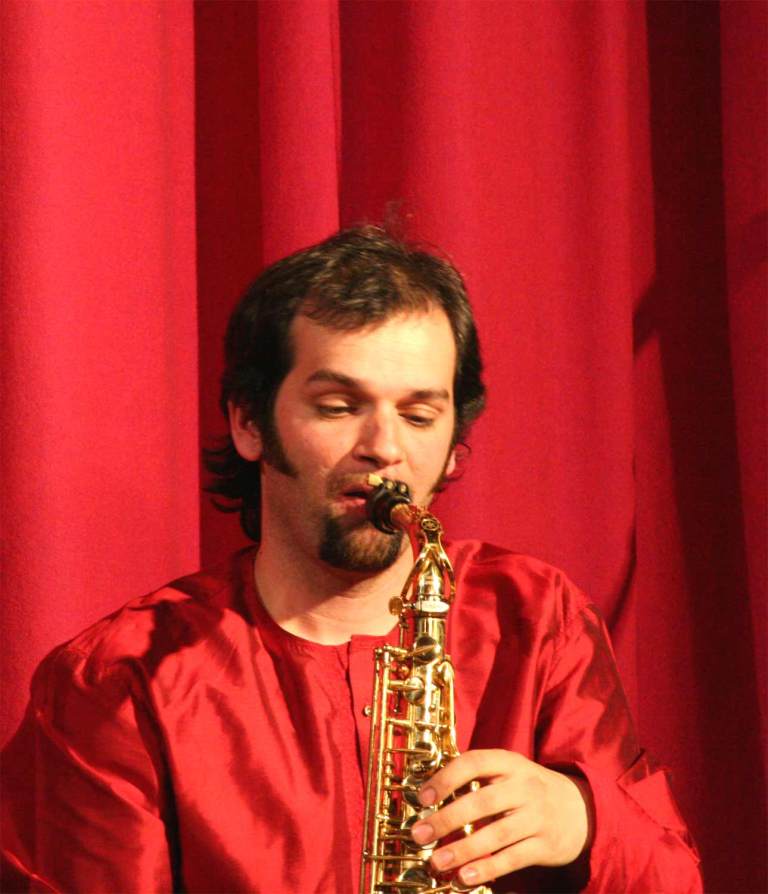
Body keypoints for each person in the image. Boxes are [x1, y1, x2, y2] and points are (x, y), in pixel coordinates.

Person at [1, 227, 702, 893]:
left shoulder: (539, 617)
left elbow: (677, 876)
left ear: (457, 445)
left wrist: (583, 820)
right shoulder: (121, 680)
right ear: (249, 422)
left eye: (420, 415)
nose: (384, 447)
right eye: (339, 406)